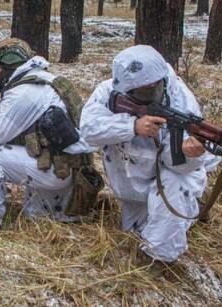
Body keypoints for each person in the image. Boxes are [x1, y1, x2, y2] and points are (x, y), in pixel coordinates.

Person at [80, 45, 219, 263]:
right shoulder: (108, 92)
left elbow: (178, 167)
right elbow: (88, 130)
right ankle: (186, 212)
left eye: (154, 88)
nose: (151, 93)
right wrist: (132, 126)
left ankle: (159, 260)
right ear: (128, 90)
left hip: (170, 179)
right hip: (132, 188)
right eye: (144, 91)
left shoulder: (181, 100)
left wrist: (190, 153)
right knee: (134, 230)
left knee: (172, 194)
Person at [0, 38, 96, 229]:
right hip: (69, 168)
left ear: (10, 63)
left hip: (56, 170)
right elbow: (17, 116)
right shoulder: (43, 80)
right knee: (36, 218)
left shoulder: (24, 91)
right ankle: (62, 210)